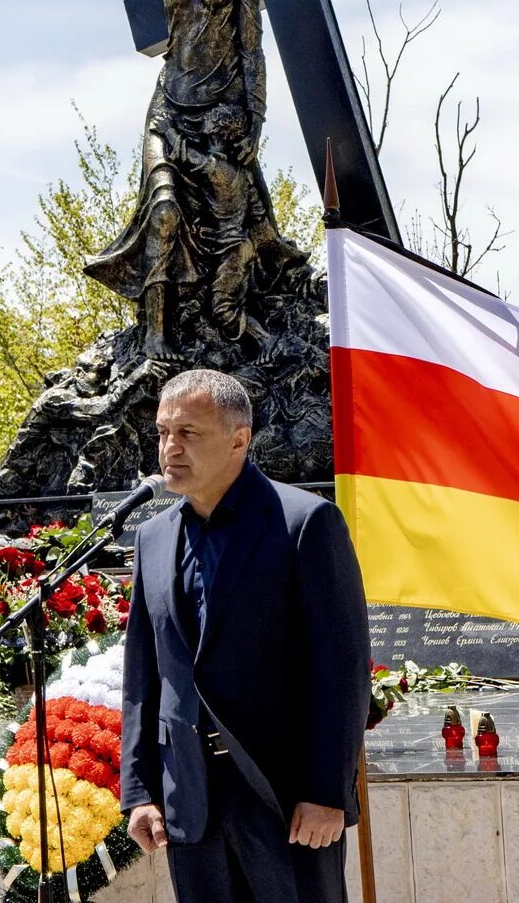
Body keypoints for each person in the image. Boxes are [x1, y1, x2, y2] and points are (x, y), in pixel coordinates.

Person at [121, 369, 369, 901]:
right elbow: (144, 676)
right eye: (164, 432)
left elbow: (342, 668)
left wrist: (326, 790)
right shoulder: (153, 538)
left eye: (188, 432)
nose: (171, 447)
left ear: (239, 439)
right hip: (190, 800)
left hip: (284, 799)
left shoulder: (306, 522)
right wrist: (139, 791)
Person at [86, 0, 304, 358]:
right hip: (168, 108)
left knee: (229, 223)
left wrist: (256, 121)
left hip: (217, 116)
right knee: (162, 211)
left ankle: (229, 321)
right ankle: (155, 335)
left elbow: (252, 52)